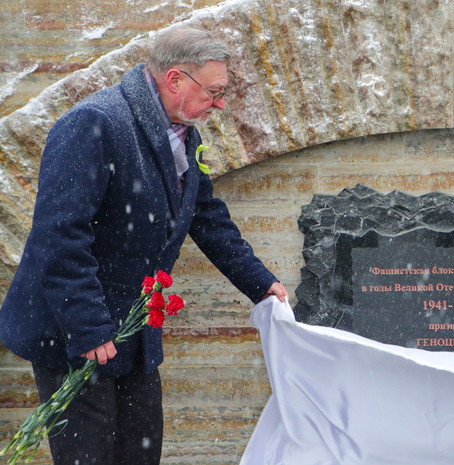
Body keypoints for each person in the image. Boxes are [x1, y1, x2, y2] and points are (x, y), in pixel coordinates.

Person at [0, 25, 288, 465]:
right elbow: (59, 235)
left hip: (133, 332)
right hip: (76, 331)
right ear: (175, 80)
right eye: (214, 91)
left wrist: (261, 283)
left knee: (140, 452)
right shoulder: (94, 123)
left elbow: (206, 217)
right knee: (89, 457)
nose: (220, 103)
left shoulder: (184, 132)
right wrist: (89, 327)